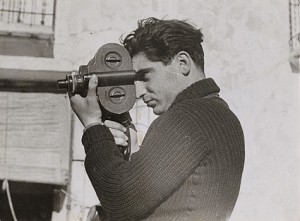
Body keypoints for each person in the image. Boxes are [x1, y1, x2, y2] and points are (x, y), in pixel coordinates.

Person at [70, 17, 245, 221]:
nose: (138, 92)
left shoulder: (190, 116)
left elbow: (121, 198)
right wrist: (133, 154)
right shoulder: (216, 114)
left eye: (145, 76)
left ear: (182, 63)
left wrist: (92, 124)